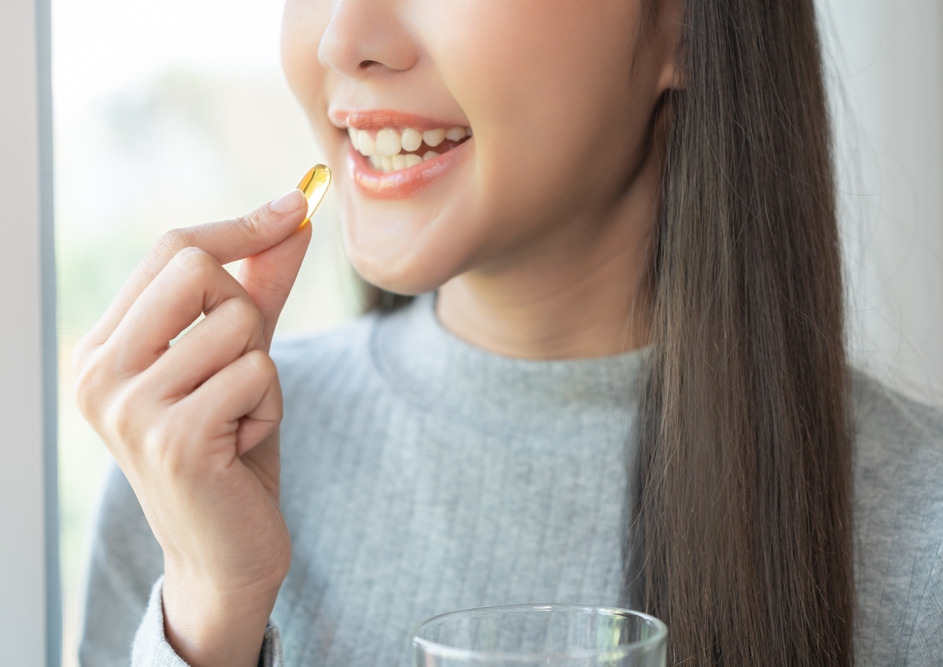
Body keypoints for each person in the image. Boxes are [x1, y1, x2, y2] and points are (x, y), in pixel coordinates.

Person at [73, 0, 943, 665]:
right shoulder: (193, 469)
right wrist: (210, 608)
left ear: (683, 22)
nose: (343, 38)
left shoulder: (921, 538)